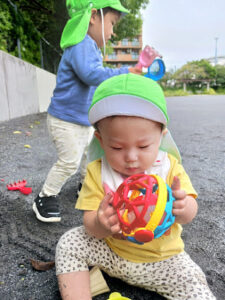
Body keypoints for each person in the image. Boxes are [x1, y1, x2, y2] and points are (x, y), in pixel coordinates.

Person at [55, 73, 216, 300]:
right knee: (69, 243)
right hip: (112, 253)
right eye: (117, 148)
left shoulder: (169, 167)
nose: (131, 157)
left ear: (161, 137)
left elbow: (190, 211)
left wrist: (184, 207)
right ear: (101, 141)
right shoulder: (97, 171)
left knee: (195, 286)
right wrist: (101, 223)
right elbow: (90, 225)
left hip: (165, 263)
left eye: (143, 146)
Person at [32, 0, 142, 223]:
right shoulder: (80, 43)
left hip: (81, 120)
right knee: (70, 161)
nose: (112, 32)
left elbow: (95, 80)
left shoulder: (89, 46)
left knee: (88, 157)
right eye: (111, 23)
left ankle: (85, 187)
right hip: (64, 120)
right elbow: (91, 75)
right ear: (93, 16)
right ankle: (45, 196)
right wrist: (124, 73)